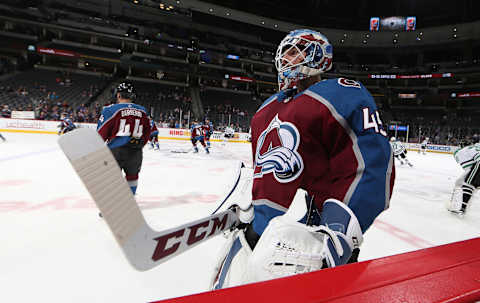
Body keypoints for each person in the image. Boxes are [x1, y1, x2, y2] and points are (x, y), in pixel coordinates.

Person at [211, 29, 395, 289]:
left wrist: (341, 228)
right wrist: (256, 214)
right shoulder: (269, 108)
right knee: (256, 266)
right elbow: (271, 171)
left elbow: (372, 161)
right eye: (285, 51)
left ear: (320, 56)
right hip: (312, 213)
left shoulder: (341, 93)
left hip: (332, 217)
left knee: (322, 280)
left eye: (296, 51)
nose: (288, 57)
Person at [97, 82, 151, 195]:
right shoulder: (142, 111)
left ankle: (110, 204)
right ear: (132, 96)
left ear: (118, 95)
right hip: (136, 151)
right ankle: (130, 201)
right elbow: (147, 132)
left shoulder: (110, 110)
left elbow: (101, 134)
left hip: (116, 149)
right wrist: (140, 145)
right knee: (132, 177)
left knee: (111, 178)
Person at [447, 142, 480, 215]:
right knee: (468, 184)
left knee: (467, 184)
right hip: (477, 162)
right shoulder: (474, 148)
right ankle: (461, 206)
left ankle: (460, 207)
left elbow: (469, 168)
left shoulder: (459, 152)